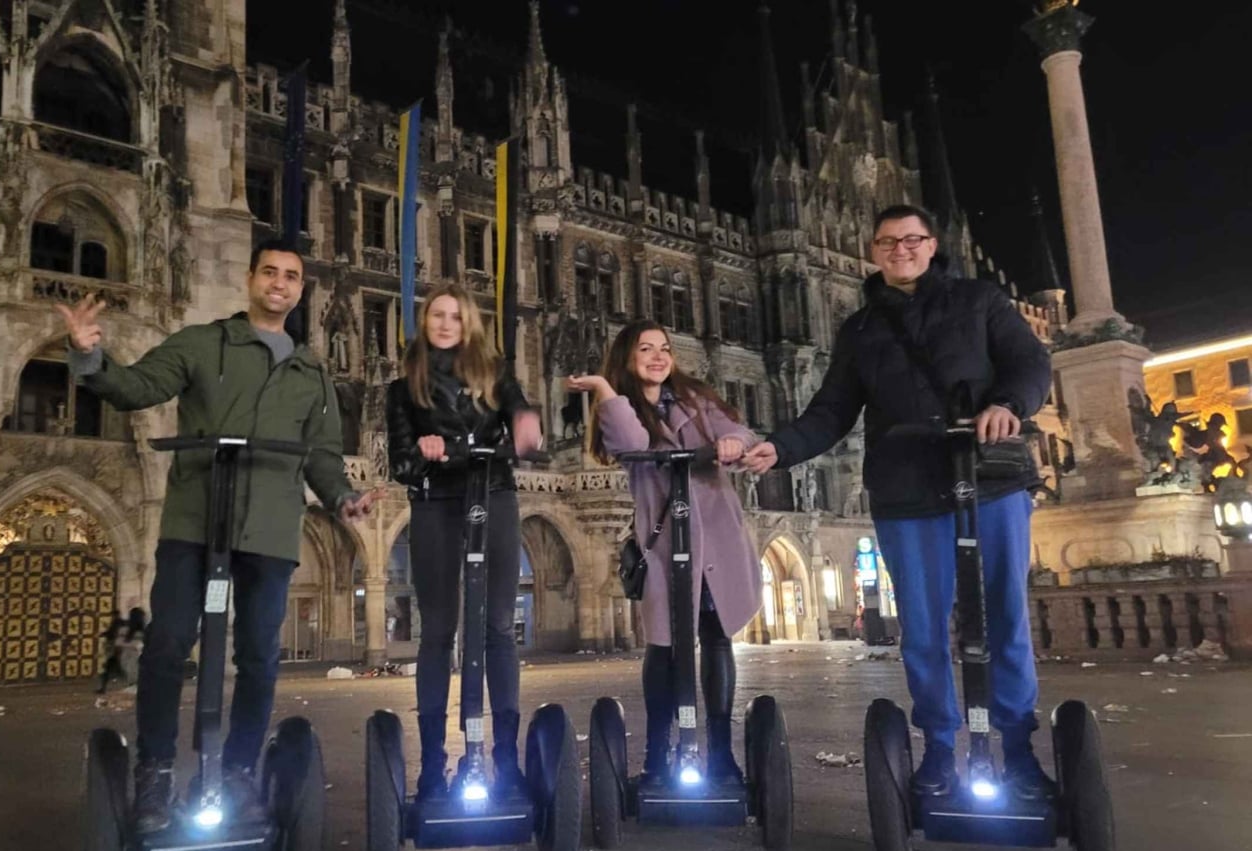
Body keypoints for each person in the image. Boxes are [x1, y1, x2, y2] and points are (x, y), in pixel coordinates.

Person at [59, 237, 380, 834]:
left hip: (270, 528)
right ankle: (154, 772)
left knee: (259, 655)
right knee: (166, 643)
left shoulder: (312, 372)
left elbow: (324, 457)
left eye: (290, 276)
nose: (279, 283)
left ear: (300, 289)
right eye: (269, 273)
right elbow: (138, 387)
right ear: (251, 279)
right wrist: (88, 357)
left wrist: (343, 498)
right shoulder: (204, 344)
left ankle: (236, 771)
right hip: (196, 521)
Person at [742, 204, 1053, 800]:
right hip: (905, 489)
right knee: (924, 629)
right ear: (874, 250)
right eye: (888, 242)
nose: (900, 250)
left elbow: (1029, 361)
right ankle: (938, 748)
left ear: (933, 245)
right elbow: (831, 411)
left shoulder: (980, 300)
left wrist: (1008, 404)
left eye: (912, 239)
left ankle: (1017, 749)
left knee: (1005, 618)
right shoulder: (860, 331)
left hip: (989, 478)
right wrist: (777, 450)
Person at [568, 321, 762, 785]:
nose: (658, 357)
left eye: (665, 349)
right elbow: (633, 446)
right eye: (645, 349)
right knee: (664, 644)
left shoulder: (696, 401)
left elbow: (737, 431)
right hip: (664, 544)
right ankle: (658, 752)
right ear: (627, 358)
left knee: (716, 637)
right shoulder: (624, 411)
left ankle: (719, 751)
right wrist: (603, 388)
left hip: (716, 535)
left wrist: (736, 442)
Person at [385, 283, 543, 799]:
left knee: (498, 625)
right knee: (438, 630)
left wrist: (524, 424)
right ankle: (433, 765)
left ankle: (506, 760)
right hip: (434, 504)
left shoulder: (495, 377)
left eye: (456, 315)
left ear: (469, 322)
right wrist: (430, 450)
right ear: (425, 322)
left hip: (493, 496)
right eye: (437, 315)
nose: (446, 323)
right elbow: (403, 464)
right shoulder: (403, 388)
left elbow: (523, 424)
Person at [96, 606, 147, 694]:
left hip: (127, 656)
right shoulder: (145, 632)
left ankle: (103, 688)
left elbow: (118, 643)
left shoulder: (124, 629)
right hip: (136, 658)